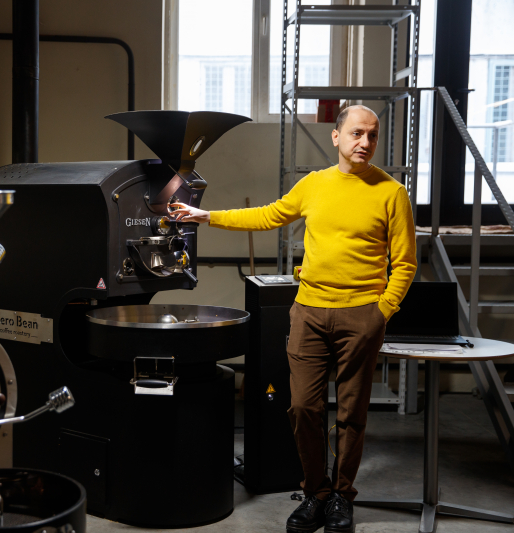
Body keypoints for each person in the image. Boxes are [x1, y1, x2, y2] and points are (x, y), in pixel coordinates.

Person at [170, 105, 417, 533]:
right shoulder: (314, 184)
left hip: (362, 315)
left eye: (372, 135)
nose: (365, 142)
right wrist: (207, 217)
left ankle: (341, 497)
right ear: (336, 137)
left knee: (352, 414)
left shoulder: (391, 193)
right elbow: (268, 214)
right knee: (303, 407)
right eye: (356, 133)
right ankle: (316, 493)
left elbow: (406, 263)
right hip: (309, 312)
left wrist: (381, 312)